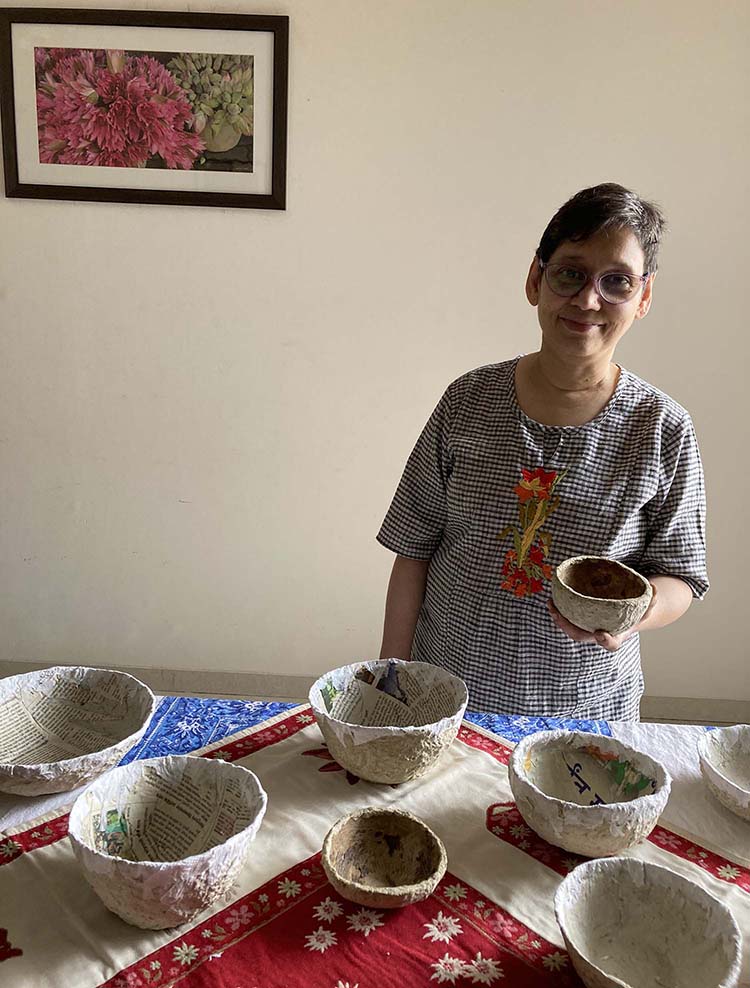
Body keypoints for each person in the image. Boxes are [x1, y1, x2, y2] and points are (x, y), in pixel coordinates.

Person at [376, 183, 708, 720]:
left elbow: (682, 578)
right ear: (536, 279)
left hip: (584, 709)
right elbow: (413, 550)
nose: (588, 299)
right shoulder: (468, 401)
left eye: (616, 281)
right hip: (444, 696)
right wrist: (392, 678)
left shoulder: (662, 429)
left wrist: (635, 611)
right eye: (570, 273)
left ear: (644, 297)